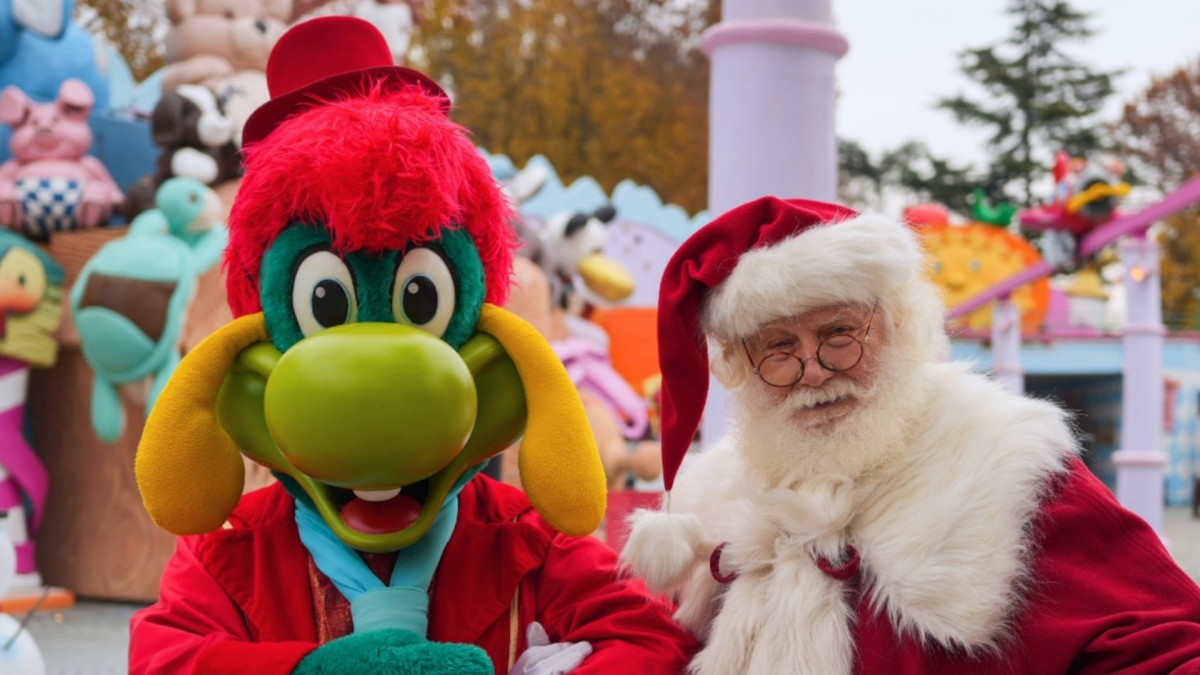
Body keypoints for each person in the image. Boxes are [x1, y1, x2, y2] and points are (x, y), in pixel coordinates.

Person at [128, 16, 696, 674]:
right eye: (325, 305)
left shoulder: (526, 540)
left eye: (422, 302)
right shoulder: (232, 550)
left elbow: (653, 641)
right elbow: (165, 659)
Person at [622, 196, 1200, 674]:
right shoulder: (715, 497)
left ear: (898, 323)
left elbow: (1165, 644)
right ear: (742, 366)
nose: (814, 370)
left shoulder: (999, 461)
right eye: (779, 348)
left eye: (839, 334)